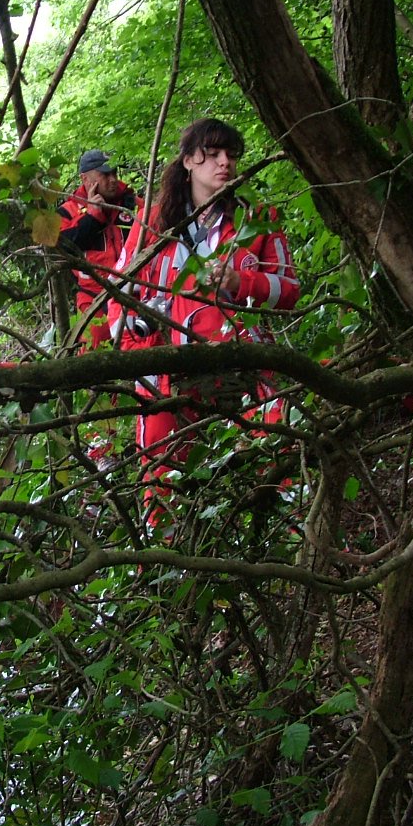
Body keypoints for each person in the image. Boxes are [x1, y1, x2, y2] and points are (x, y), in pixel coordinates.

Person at [107, 117, 299, 531]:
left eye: (231, 154)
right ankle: (163, 567)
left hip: (247, 363)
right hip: (168, 371)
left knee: (279, 449)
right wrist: (145, 357)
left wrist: (241, 281)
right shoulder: (152, 224)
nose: (225, 163)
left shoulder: (257, 217)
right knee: (162, 472)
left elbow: (290, 290)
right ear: (190, 161)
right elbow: (117, 301)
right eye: (212, 155)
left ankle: (287, 543)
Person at [57, 150, 140, 350]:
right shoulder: (67, 211)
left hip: (133, 291)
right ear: (84, 178)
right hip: (92, 297)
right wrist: (94, 215)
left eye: (114, 173)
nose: (112, 180)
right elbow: (66, 246)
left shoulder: (132, 205)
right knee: (93, 352)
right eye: (105, 175)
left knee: (139, 346)